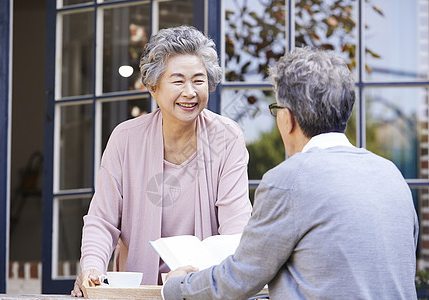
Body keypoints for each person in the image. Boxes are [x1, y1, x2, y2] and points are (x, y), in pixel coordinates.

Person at [163, 47, 419, 299]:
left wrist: (177, 286)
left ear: (289, 118)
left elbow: (239, 279)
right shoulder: (392, 175)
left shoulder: (289, 181)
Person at [70, 25, 252, 296]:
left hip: (200, 290)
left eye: (198, 80)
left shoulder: (226, 137)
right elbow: (102, 219)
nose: (190, 92)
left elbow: (236, 226)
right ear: (153, 87)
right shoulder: (125, 138)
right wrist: (93, 268)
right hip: (137, 293)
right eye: (178, 81)